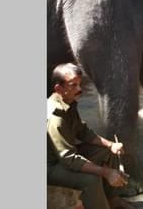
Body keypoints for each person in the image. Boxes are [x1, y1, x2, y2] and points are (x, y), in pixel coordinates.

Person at [47, 63, 134, 209]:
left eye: (80, 84)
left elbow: (83, 132)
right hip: (52, 166)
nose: (79, 89)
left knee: (108, 152)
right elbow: (68, 159)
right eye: (73, 85)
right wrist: (107, 172)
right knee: (91, 180)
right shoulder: (55, 117)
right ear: (58, 88)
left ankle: (112, 199)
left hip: (67, 154)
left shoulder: (68, 103)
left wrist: (110, 145)